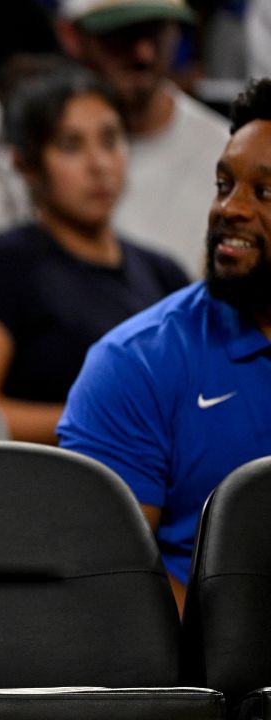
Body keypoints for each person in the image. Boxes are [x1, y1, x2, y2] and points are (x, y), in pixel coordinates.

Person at [58, 78, 271, 613]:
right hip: (205, 680)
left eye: (263, 192)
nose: (230, 209)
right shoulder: (135, 364)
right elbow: (104, 588)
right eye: (224, 184)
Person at [0, 65, 190, 444]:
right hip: (43, 490)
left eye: (111, 139)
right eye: (71, 145)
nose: (99, 164)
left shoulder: (164, 273)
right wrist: (104, 417)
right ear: (26, 164)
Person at [0, 0, 230, 302]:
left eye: (157, 32)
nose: (143, 53)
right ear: (71, 36)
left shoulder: (228, 152)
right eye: (123, 35)